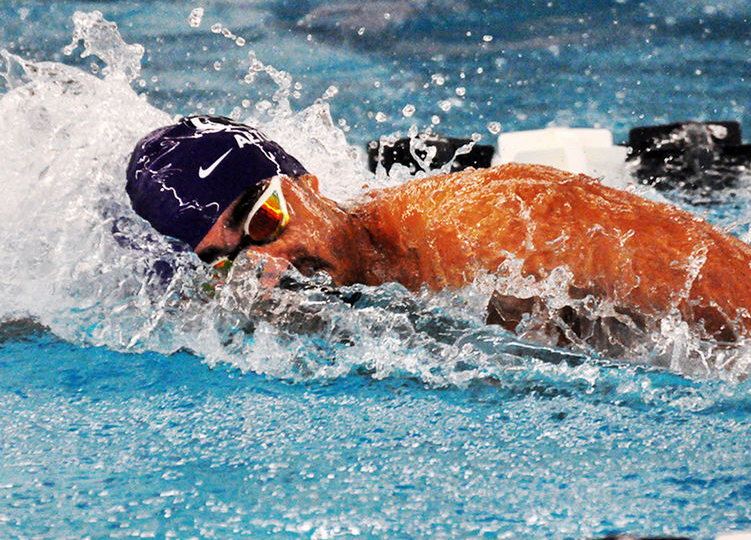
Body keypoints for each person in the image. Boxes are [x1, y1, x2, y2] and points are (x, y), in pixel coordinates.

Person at [126, 115, 751, 354]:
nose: (270, 261)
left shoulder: (493, 224)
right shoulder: (270, 312)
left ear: (309, 184)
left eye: (263, 219)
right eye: (230, 259)